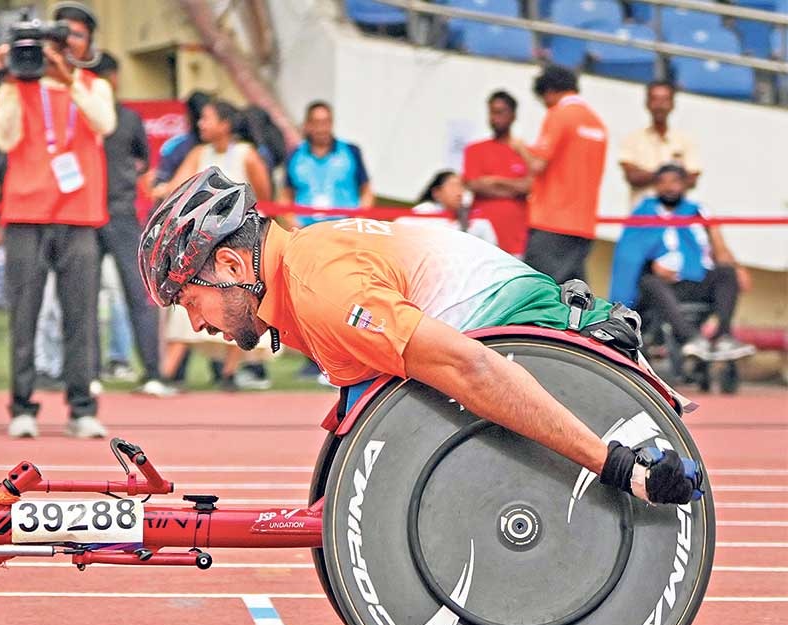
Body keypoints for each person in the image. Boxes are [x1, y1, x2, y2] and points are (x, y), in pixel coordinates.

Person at [139, 167, 703, 509]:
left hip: (530, 334)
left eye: (191, 300)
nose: (195, 324)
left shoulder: (322, 289)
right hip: (493, 325)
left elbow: (472, 371)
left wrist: (617, 467)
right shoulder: (294, 279)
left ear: (235, 265)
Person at [0, 0, 115, 439]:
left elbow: (105, 123)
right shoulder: (20, 85)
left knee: (80, 316)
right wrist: (6, 82)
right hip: (25, 212)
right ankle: (22, 405)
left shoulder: (95, 86)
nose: (63, 48)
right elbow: (3, 139)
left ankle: (82, 407)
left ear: (84, 45)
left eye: (72, 38)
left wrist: (71, 83)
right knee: (23, 314)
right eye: (57, 40)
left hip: (79, 213)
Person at [159, 99, 274, 391]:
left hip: (242, 246)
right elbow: (177, 185)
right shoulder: (199, 153)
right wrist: (158, 188)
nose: (201, 124)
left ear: (225, 124)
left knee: (242, 302)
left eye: (207, 118)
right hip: (204, 245)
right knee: (190, 303)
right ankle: (166, 374)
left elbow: (265, 197)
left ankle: (229, 371)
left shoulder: (247, 155)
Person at [609, 165, 754, 363]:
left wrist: (737, 269)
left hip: (697, 280)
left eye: (675, 182)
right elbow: (630, 254)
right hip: (663, 286)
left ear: (685, 185)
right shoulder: (643, 213)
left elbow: (720, 248)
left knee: (727, 273)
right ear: (656, 186)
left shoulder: (698, 212)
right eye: (663, 182)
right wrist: (652, 265)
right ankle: (691, 338)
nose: (669, 187)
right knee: (650, 281)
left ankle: (723, 337)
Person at [93, 52, 173, 397]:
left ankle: (153, 373)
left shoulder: (128, 118)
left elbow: (143, 160)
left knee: (139, 295)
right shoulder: (82, 119)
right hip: (84, 215)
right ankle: (88, 374)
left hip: (122, 213)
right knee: (82, 298)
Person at [511, 65, 607, 284]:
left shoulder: (560, 115)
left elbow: (537, 164)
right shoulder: (597, 123)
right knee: (573, 297)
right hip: (583, 225)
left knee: (537, 291)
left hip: (551, 221)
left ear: (550, 91)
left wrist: (519, 147)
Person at [283, 100, 374, 227]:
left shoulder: (350, 151)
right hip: (306, 231)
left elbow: (366, 191)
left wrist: (358, 220)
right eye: (317, 123)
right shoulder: (295, 155)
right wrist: (293, 223)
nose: (321, 128)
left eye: (326, 122)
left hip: (345, 228)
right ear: (308, 124)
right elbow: (286, 195)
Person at [462, 90, 530, 256]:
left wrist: (493, 180)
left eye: (500, 112)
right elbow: (474, 184)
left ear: (513, 116)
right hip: (480, 237)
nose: (494, 118)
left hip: (516, 239)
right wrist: (513, 187)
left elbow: (529, 186)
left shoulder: (524, 152)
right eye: (491, 112)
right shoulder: (475, 149)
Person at [619, 81, 701, 210]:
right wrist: (671, 176)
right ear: (647, 103)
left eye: (665, 100)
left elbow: (692, 180)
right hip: (642, 221)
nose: (660, 105)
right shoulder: (633, 139)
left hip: (677, 221)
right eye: (655, 99)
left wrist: (651, 175)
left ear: (673, 104)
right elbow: (632, 177)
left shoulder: (685, 140)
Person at [408, 170, 498, 245]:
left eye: (462, 187)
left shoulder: (477, 221)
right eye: (453, 186)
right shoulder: (422, 212)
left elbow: (493, 248)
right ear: (437, 192)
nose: (459, 192)